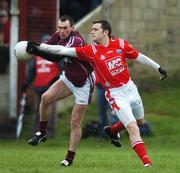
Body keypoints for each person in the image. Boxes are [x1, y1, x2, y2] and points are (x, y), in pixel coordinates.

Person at [26, 20, 167, 167]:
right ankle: (147, 164)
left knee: (140, 122)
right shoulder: (91, 51)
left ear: (105, 32)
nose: (92, 32)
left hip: (131, 89)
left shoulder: (120, 44)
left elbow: (139, 56)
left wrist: (158, 68)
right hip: (115, 95)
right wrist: (38, 46)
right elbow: (62, 51)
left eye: (95, 29)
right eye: (92, 29)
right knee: (133, 128)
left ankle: (113, 130)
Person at [27, 15, 94, 167]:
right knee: (45, 98)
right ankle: (42, 132)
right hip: (69, 78)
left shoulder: (76, 40)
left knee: (75, 122)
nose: (62, 31)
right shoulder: (58, 35)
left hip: (83, 83)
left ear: (72, 28)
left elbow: (57, 54)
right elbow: (48, 46)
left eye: (65, 28)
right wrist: (34, 48)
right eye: (60, 28)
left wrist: (37, 48)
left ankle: (69, 159)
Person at [22, 35, 61, 137]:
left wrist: (57, 80)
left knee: (50, 112)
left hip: (51, 87)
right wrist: (26, 84)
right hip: (39, 87)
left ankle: (49, 133)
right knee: (38, 111)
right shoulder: (36, 57)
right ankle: (37, 132)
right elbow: (31, 72)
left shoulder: (55, 56)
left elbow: (62, 70)